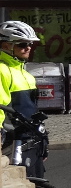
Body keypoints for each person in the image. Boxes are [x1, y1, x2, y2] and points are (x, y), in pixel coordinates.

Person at [0, 20, 45, 179]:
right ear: (6, 46)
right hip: (15, 143)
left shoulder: (27, 75)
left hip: (32, 141)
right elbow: (1, 107)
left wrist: (43, 140)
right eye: (22, 44)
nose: (28, 48)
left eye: (30, 44)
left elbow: (33, 111)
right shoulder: (2, 70)